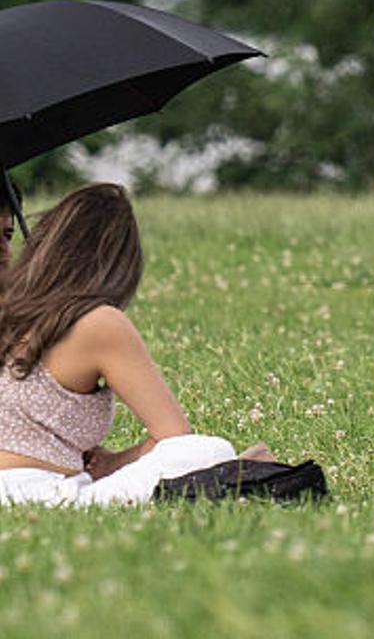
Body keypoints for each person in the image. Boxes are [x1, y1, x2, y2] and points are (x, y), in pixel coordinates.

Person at [0, 183, 270, 505]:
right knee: (208, 450)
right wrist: (114, 462)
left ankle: (237, 472)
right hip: (32, 495)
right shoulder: (99, 323)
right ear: (119, 262)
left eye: (7, 235)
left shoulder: (14, 313)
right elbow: (175, 438)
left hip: (45, 485)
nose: (4, 249)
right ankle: (237, 472)